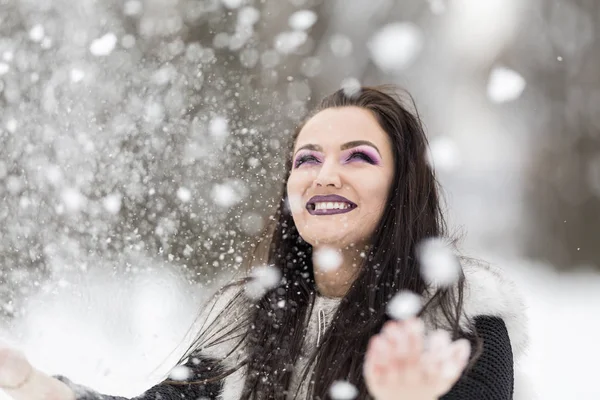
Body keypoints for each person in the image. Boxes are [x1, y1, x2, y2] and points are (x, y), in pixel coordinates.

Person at [0, 86, 528, 400]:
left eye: (358, 157)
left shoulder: (460, 316)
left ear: (402, 186)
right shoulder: (250, 315)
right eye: (306, 159)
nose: (324, 175)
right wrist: (33, 384)